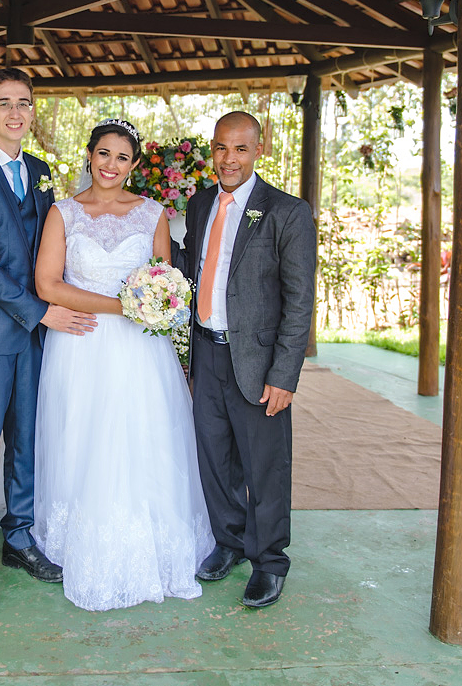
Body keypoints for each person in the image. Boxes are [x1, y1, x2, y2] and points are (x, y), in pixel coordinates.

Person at [33, 118, 215, 611]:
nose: (110, 165)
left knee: (143, 436)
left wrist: (156, 304)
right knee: (85, 436)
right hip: (82, 343)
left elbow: (165, 279)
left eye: (121, 157)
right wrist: (125, 307)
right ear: (88, 155)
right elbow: (48, 285)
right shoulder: (63, 213)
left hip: (141, 351)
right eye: (103, 154)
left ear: (134, 164)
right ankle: (81, 542)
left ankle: (154, 543)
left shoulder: (153, 212)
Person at [0, 67, 97, 609]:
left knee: (29, 440)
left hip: (38, 333)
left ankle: (18, 538)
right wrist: (40, 311)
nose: (15, 112)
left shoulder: (40, 170)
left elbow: (44, 250)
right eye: (3, 102)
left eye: (24, 103)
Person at [179, 111, 316, 609]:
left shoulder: (286, 211)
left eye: (239, 149)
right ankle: (229, 543)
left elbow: (299, 302)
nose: (228, 159)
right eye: (220, 148)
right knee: (215, 460)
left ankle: (269, 561)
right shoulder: (199, 205)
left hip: (257, 363)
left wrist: (285, 375)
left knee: (265, 467)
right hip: (207, 354)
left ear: (259, 150)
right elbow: (190, 266)